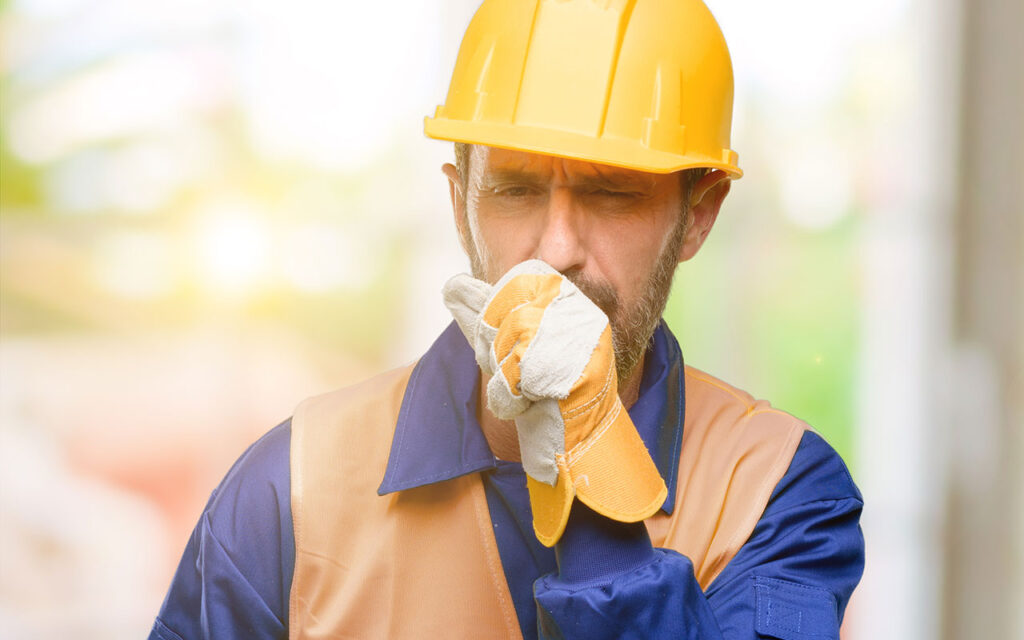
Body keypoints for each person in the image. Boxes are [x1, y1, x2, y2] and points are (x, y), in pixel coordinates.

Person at [149, 1, 864, 638]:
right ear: (460, 206)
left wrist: (592, 461)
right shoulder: (290, 491)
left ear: (697, 216)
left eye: (613, 194)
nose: (556, 251)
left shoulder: (776, 491)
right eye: (516, 190)